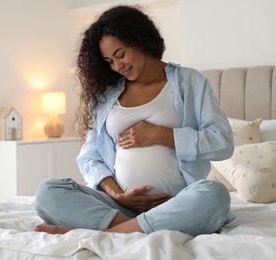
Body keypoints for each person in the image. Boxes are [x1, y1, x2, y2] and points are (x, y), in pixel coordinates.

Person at [34, 5, 235, 235]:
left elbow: (223, 143)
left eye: (120, 54)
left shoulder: (190, 82)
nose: (118, 66)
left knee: (215, 194)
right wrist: (119, 196)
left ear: (140, 39)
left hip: (177, 204)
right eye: (109, 61)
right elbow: (90, 158)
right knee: (47, 192)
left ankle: (107, 234)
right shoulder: (106, 95)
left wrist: (161, 134)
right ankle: (129, 227)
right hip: (119, 208)